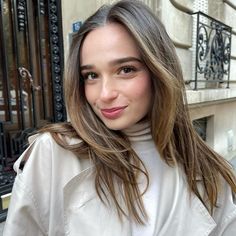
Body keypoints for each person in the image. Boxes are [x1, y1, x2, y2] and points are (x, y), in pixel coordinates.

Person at [3, 0, 236, 235]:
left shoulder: (210, 173)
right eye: (91, 75)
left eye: (126, 70)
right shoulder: (53, 155)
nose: (104, 94)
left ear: (160, 71)